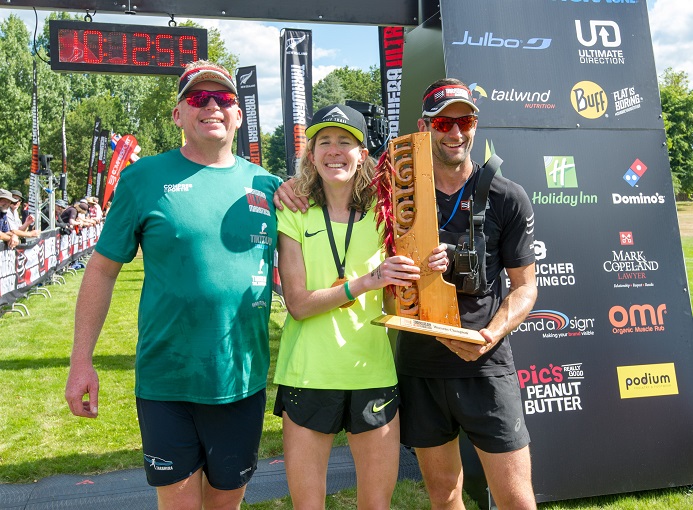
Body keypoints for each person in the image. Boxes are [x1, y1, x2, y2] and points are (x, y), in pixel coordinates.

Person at [274, 78, 538, 509]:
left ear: (475, 125)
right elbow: (386, 289)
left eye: (464, 120)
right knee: (443, 492)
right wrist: (286, 185)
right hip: (419, 365)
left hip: (483, 364)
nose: (454, 131)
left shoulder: (506, 196)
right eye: (442, 122)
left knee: (515, 499)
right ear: (424, 126)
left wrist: (490, 334)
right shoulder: (396, 199)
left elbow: (526, 287)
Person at [65, 60, 282, 510]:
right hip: (167, 379)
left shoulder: (272, 186)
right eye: (197, 99)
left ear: (238, 114)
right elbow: (102, 270)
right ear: (178, 114)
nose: (212, 107)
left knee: (225, 503)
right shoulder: (142, 179)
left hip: (240, 379)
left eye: (222, 99)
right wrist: (81, 362)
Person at [274, 103, 448, 510]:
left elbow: (413, 281)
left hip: (372, 371)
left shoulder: (386, 213)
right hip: (309, 373)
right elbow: (298, 304)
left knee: (375, 504)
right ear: (311, 154)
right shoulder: (294, 211)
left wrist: (432, 263)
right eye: (325, 142)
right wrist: (366, 282)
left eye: (345, 142)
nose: (335, 151)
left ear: (362, 153)